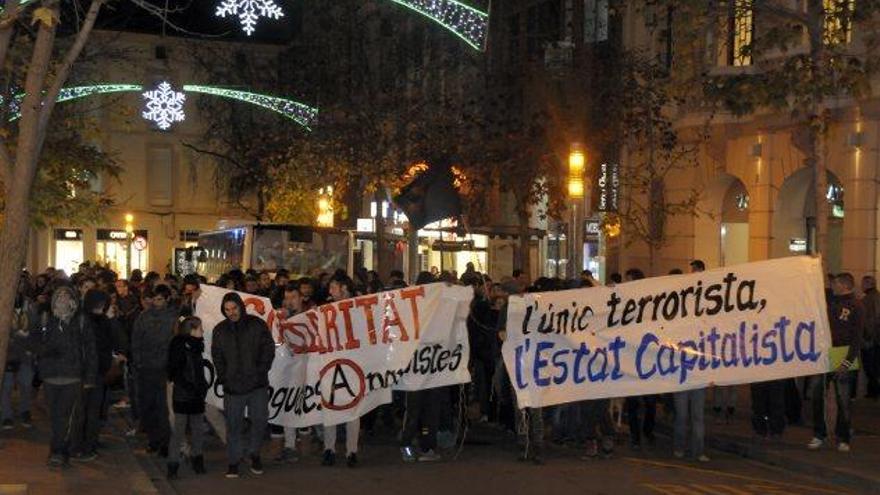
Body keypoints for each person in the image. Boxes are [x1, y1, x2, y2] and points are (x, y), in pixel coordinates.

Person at [211, 292, 275, 478]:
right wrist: (224, 376)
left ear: (241, 306)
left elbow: (268, 348)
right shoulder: (220, 330)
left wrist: (261, 371)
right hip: (233, 387)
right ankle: (233, 461)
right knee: (233, 425)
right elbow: (217, 355)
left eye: (234, 308)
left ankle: (254, 454)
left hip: (257, 385)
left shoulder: (257, 325)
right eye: (227, 310)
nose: (231, 312)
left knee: (259, 421)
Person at [38, 286, 97, 468]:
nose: (62, 300)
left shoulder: (80, 320)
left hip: (72, 376)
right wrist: (47, 352)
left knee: (66, 416)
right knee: (55, 416)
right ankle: (59, 449)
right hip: (50, 376)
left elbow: (90, 350)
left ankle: (58, 451)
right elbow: (36, 343)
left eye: (66, 296)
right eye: (59, 296)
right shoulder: (47, 319)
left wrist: (89, 377)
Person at [808, 273, 864, 452]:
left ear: (844, 285)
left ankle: (843, 436)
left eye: (835, 283)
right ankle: (820, 433)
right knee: (817, 395)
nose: (832, 286)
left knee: (843, 398)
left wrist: (848, 361)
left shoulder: (856, 306)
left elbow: (857, 336)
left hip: (843, 352)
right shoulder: (829, 301)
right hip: (825, 352)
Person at [131, 284, 177, 457]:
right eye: (155, 299)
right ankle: (153, 439)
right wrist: (139, 362)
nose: (156, 303)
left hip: (164, 369)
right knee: (148, 406)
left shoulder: (173, 318)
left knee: (163, 408)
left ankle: (164, 442)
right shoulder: (143, 317)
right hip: (146, 368)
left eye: (160, 299)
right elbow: (136, 341)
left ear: (167, 299)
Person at [322, 274, 362, 468]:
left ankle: (351, 450)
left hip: (353, 362)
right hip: (331, 362)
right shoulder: (326, 308)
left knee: (353, 408)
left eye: (333, 287)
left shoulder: (359, 306)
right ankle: (329, 449)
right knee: (330, 405)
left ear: (344, 288)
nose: (330, 291)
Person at [71, 289, 115, 462]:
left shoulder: (103, 321)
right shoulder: (83, 320)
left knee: (91, 412)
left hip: (97, 373)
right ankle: (80, 447)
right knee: (83, 412)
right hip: (84, 372)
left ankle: (88, 445)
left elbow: (111, 343)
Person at [674, 260, 709, 462]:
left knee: (697, 416)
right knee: (682, 416)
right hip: (680, 374)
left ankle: (699, 450)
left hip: (698, 375)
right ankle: (679, 447)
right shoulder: (676, 324)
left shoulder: (704, 326)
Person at [166, 317, 209, 479]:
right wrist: (190, 387)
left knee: (198, 430)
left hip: (196, 393)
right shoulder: (178, 345)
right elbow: (176, 371)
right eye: (200, 328)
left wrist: (201, 386)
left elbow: (197, 369)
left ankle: (197, 459)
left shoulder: (196, 345)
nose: (202, 331)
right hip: (184, 395)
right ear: (191, 329)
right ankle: (173, 464)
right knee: (179, 431)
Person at [2, 277, 38, 430]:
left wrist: (32, 347)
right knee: (7, 385)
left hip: (25, 351)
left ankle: (25, 410)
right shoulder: (4, 301)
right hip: (8, 351)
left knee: (25, 383)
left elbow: (35, 326)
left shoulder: (29, 304)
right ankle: (6, 415)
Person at [275, 284, 304, 464]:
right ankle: (290, 445)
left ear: (301, 298)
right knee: (289, 404)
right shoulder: (282, 318)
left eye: (293, 297)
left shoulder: (310, 316)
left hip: (307, 367)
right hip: (288, 368)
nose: (289, 301)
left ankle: (306, 440)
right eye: (287, 298)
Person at [860, 275, 880, 399]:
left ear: (868, 284)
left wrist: (867, 338)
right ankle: (873, 391)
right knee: (876, 367)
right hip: (878, 339)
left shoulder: (866, 300)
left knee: (870, 367)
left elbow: (869, 322)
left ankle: (874, 391)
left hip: (870, 340)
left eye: (863, 284)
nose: (861, 286)